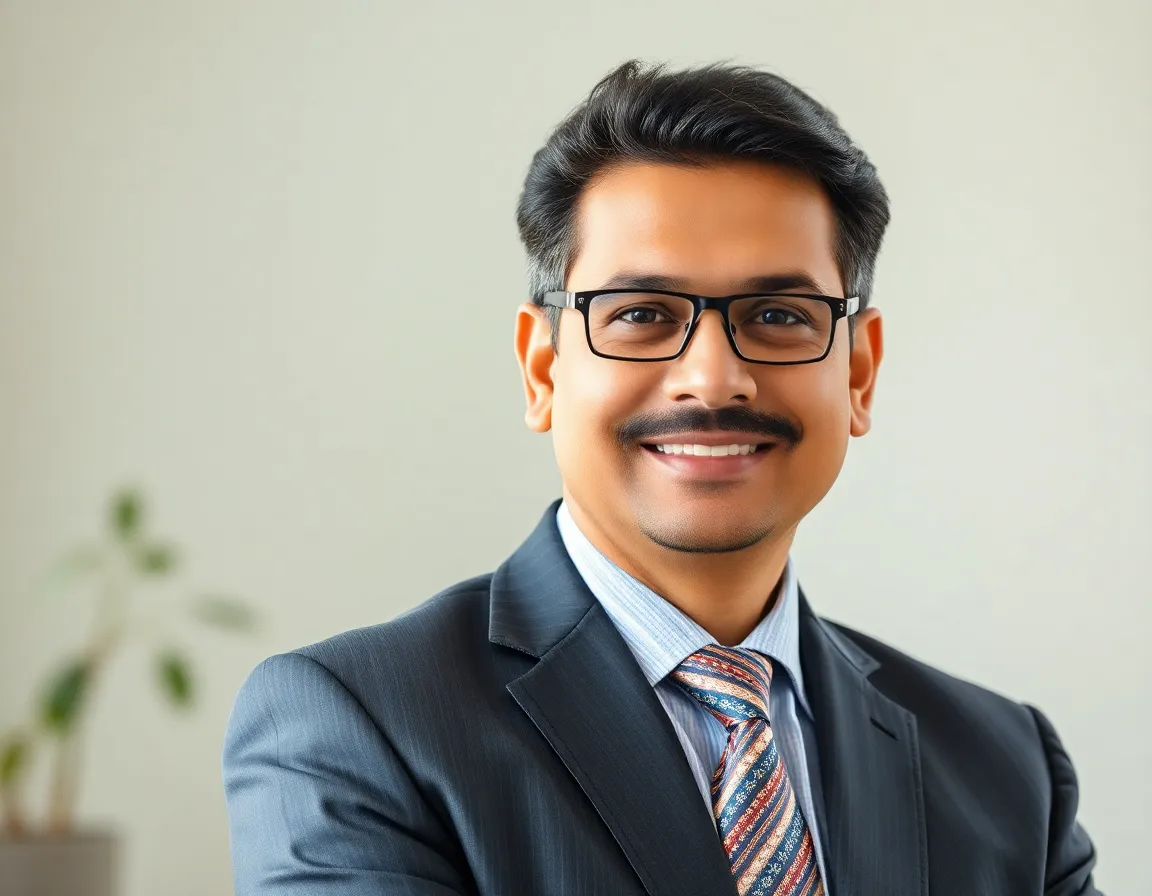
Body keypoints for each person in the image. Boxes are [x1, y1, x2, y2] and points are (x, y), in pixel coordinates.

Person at [222, 60, 1101, 896]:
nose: (713, 380)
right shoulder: (358, 727)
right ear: (542, 369)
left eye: (779, 315)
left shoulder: (1007, 769)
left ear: (859, 374)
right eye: (641, 313)